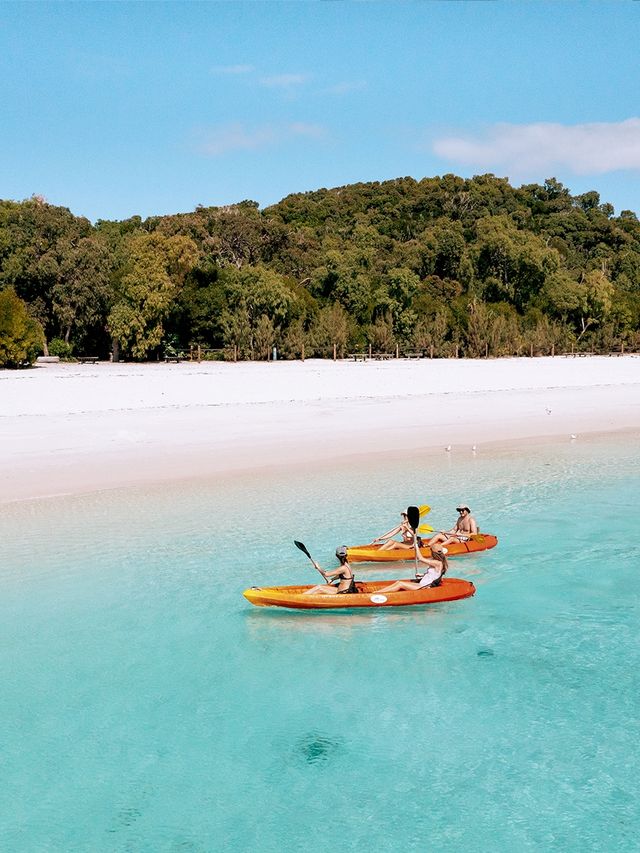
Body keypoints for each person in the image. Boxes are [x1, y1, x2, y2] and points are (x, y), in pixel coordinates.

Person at [377, 546, 449, 594]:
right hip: (422, 584)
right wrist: (423, 575)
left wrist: (416, 547)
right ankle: (378, 592)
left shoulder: (437, 563)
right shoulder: (437, 562)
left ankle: (378, 593)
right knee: (398, 582)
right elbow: (434, 575)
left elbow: (420, 559)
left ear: (433, 552)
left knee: (400, 584)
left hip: (424, 587)